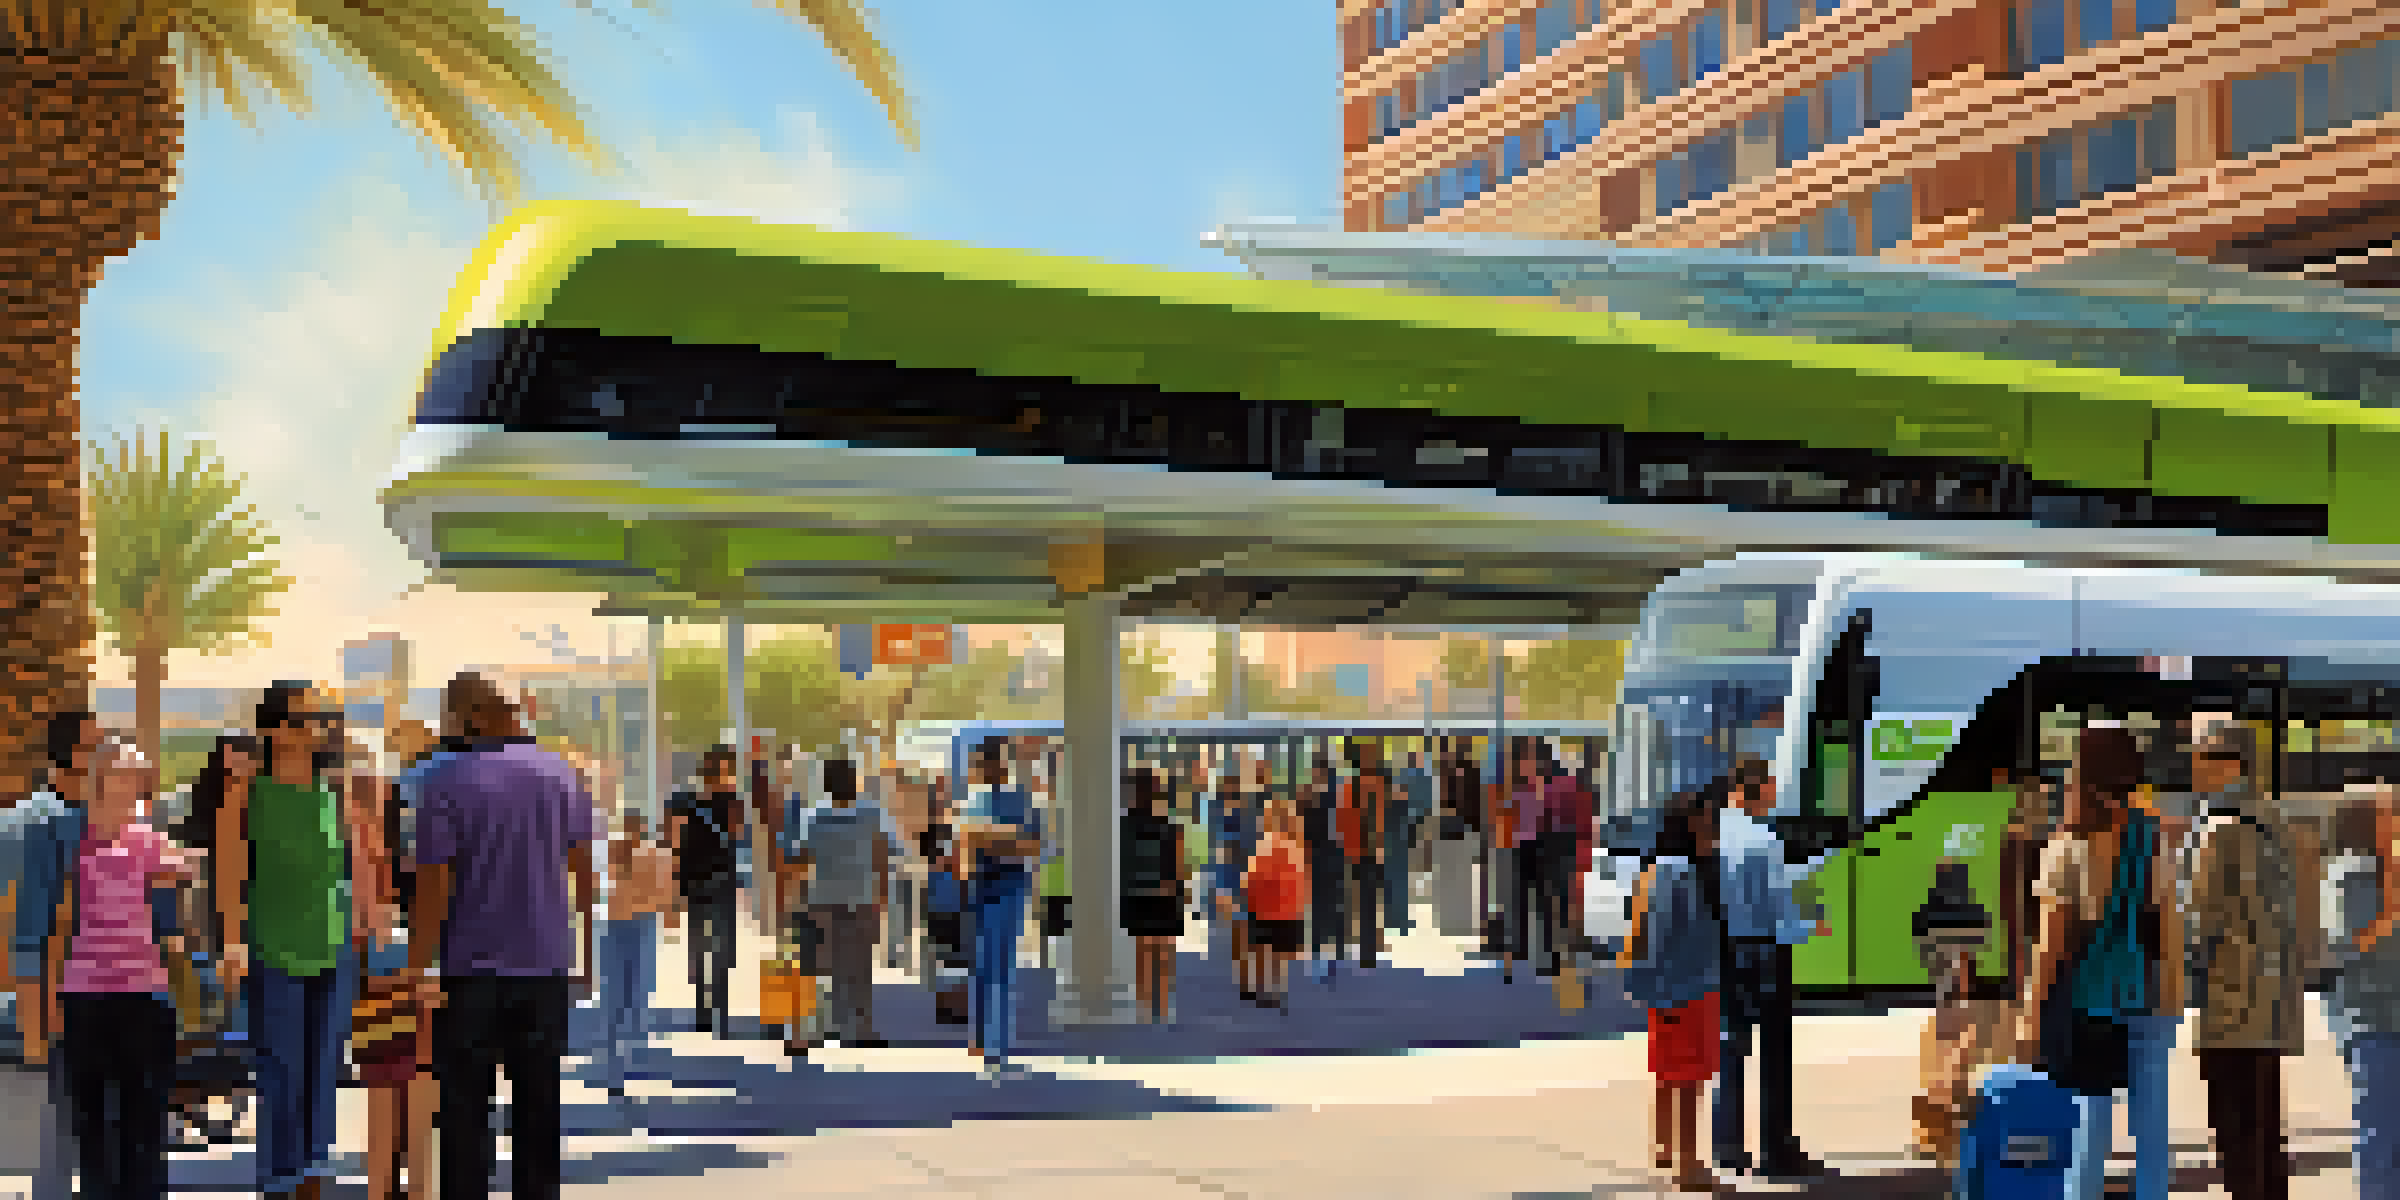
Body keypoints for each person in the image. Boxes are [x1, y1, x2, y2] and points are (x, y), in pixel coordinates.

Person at [411, 672, 597, 1200]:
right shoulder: (561, 773)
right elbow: (584, 871)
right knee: (539, 1111)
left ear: (471, 716)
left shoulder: (445, 780)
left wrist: (421, 965)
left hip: (470, 972)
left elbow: (434, 881)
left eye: (450, 713)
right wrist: (584, 952)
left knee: (465, 1114)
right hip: (545, 967)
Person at [31, 737, 204, 1200]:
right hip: (84, 995)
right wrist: (48, 1002)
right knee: (92, 1123)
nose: (135, 788)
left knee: (143, 1121)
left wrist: (184, 879)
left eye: (139, 779)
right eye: (127, 777)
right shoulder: (73, 842)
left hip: (144, 995)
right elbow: (59, 925)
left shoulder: (152, 842)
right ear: (101, 781)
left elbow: (184, 920)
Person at [218, 682, 364, 1200]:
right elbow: (231, 871)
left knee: (324, 1070)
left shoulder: (336, 788)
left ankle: (311, 1182)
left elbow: (355, 863)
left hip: (334, 949)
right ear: (273, 731)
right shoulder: (246, 790)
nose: (316, 727)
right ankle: (277, 1182)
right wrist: (231, 942)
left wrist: (367, 922)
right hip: (272, 947)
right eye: (304, 719)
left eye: (319, 718)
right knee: (280, 1071)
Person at [2019, 724, 2160, 1200]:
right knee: (2132, 1119)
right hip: (2136, 990)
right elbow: (2161, 913)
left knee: (2085, 1116)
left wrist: (2030, 1015)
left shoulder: (2070, 847)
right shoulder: (2149, 836)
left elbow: (2051, 947)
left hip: (2085, 999)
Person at [2186, 720, 2304, 1200]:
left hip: (2232, 1005)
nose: (2194, 770)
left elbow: (2199, 921)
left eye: (2202, 758)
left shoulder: (2221, 830)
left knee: (2236, 1132)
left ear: (2230, 764)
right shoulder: (2275, 822)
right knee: (2264, 1130)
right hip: (2273, 1003)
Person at [1710, 754, 1828, 1179]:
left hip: (1725, 953)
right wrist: (1812, 926)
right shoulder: (1764, 840)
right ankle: (1776, 1151)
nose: (1774, 797)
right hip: (1765, 954)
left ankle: (1727, 1146)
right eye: (1769, 789)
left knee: (1731, 1047)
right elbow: (1780, 912)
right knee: (1775, 1054)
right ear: (1748, 790)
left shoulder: (1713, 837)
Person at [1623, 785, 1728, 1195]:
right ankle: (1688, 1164)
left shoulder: (1669, 870)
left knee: (1670, 1075)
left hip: (1681, 990)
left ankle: (1667, 1150)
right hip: (1685, 991)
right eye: (1708, 820)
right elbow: (1659, 941)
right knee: (1688, 1079)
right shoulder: (1677, 874)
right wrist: (1662, 995)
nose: (1715, 828)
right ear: (1688, 824)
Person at [785, 757, 897, 1048]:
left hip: (819, 901)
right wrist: (882, 897)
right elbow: (882, 857)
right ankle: (860, 1031)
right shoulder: (872, 813)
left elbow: (799, 861)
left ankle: (805, 1034)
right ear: (854, 783)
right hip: (861, 900)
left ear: (826, 785)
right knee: (858, 968)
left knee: (813, 967)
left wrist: (792, 900)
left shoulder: (812, 816)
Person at [2325, 779, 2400, 1200]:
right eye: (2388, 814)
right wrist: (2390, 867)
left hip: (2391, 1017)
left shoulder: (2379, 868)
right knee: (2378, 1139)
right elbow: (2362, 938)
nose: (2395, 823)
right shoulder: (2349, 871)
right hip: (2371, 1024)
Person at [960, 737, 1044, 1067]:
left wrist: (989, 837)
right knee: (982, 964)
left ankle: (995, 1042)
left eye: (982, 764)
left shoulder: (1022, 800)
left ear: (998, 765)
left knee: (1000, 965)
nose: (979, 771)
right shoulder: (972, 800)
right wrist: (1005, 838)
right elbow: (968, 842)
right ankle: (981, 1037)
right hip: (980, 886)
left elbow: (1031, 845)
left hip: (1008, 884)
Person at [593, 807, 672, 1100]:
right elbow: (663, 894)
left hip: (626, 926)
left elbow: (663, 894)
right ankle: (617, 1068)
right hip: (627, 926)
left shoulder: (637, 853)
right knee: (627, 999)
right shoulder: (617, 852)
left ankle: (618, 1066)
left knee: (624, 999)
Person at [668, 746, 742, 1038]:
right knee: (721, 947)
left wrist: (674, 887)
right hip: (721, 882)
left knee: (700, 947)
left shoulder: (684, 801)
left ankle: (702, 1011)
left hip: (696, 883)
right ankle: (719, 1009)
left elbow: (674, 844)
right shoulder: (733, 803)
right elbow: (737, 833)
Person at [1121, 768, 1187, 1023]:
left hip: (1137, 894)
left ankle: (1145, 1006)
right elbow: (1178, 866)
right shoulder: (1169, 827)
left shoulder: (1123, 826)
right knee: (1162, 951)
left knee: (1143, 952)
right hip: (1166, 894)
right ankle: (1162, 1005)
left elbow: (1120, 865)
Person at [1242, 795, 1310, 1010]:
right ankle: (1275, 989)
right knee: (1279, 955)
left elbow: (1252, 878)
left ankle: (1259, 987)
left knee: (1262, 950)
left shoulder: (1266, 845)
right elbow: (1302, 881)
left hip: (1264, 908)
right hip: (1286, 910)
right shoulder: (1295, 848)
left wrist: (1248, 899)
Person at [1339, 741, 1389, 968]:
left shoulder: (1349, 788)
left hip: (1356, 852)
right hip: (1367, 852)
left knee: (1359, 900)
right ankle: (1368, 949)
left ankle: (1363, 947)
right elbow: (1378, 822)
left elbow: (1342, 823)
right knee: (1368, 901)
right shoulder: (1373, 786)